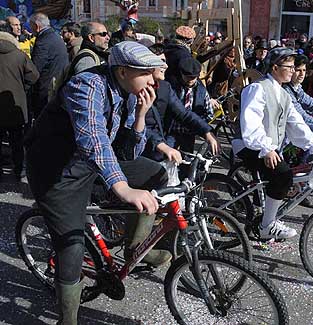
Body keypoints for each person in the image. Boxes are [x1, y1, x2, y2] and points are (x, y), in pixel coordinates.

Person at [25, 42, 169, 324]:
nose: (156, 79)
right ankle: (67, 319)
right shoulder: (87, 85)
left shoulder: (128, 91)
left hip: (91, 164)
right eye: (148, 72)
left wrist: (140, 116)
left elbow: (126, 153)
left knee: (154, 173)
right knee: (72, 246)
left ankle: (134, 247)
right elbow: (93, 139)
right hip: (56, 173)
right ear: (124, 70)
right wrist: (122, 187)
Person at [232, 47, 313, 240]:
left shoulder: (283, 94)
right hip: (249, 145)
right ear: (274, 67)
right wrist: (266, 148)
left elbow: (296, 122)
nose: (293, 70)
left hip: (267, 147)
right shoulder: (257, 88)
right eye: (289, 66)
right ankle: (267, 226)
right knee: (283, 175)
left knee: (283, 174)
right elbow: (251, 123)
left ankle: (267, 217)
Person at [143, 45, 220, 163]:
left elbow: (184, 114)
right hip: (141, 149)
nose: (166, 66)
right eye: (161, 61)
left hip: (161, 142)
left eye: (165, 61)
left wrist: (207, 131)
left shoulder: (165, 87)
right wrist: (163, 146)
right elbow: (138, 125)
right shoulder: (137, 89)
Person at [0, 32, 39, 180]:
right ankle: (18, 170)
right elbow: (34, 76)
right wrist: (24, 87)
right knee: (17, 140)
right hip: (15, 103)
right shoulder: (19, 55)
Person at [166, 57, 214, 154]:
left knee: (187, 159)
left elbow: (209, 113)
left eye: (193, 77)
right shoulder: (172, 87)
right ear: (181, 74)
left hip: (189, 134)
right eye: (187, 77)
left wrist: (196, 125)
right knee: (167, 157)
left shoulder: (201, 91)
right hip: (172, 131)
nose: (190, 80)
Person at [30, 12, 69, 118]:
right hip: (56, 86)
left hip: (46, 90)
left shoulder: (43, 41)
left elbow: (35, 69)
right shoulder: (54, 36)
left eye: (31, 26)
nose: (31, 29)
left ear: (36, 26)